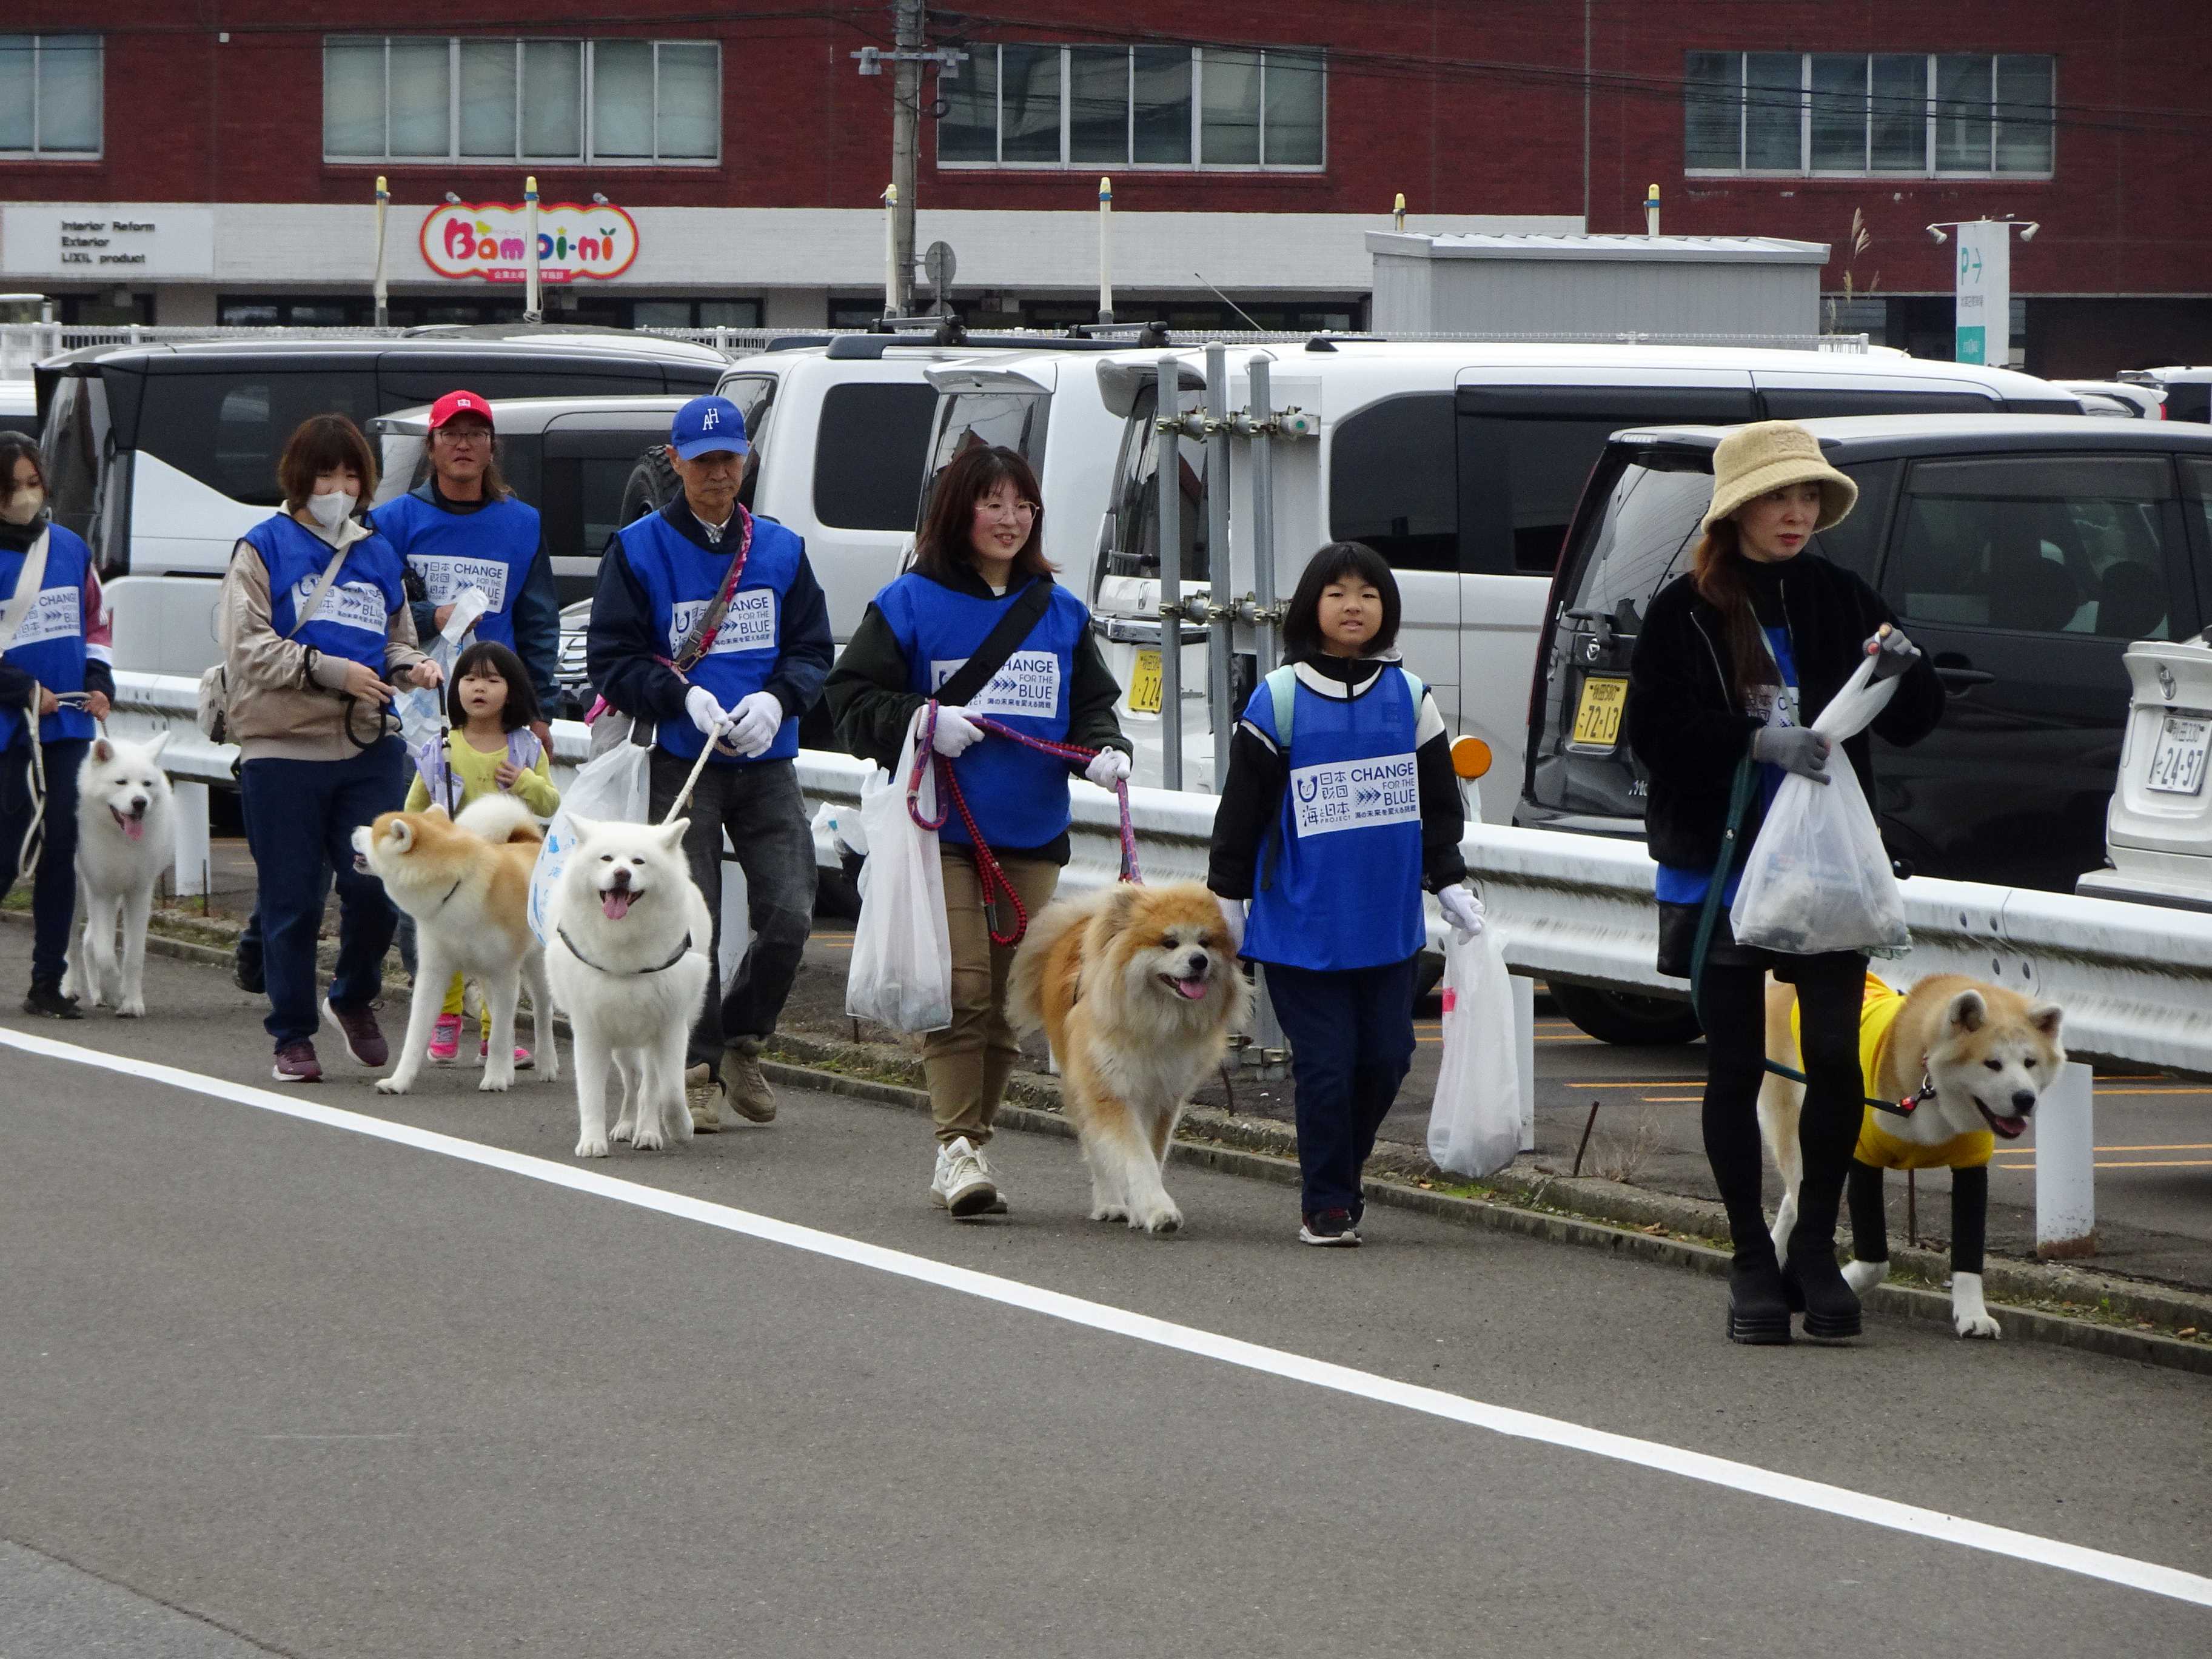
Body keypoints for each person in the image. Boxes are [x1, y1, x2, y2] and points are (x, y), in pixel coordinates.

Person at [1624, 420, 1943, 1344]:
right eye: (1778, 497)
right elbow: (1655, 734)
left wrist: (1907, 668)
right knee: (1734, 1066)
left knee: (1837, 1062)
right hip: (1722, 863)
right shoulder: (1684, 609)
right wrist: (1752, 741)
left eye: (1808, 497)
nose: (1797, 513)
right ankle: (1749, 1262)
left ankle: (1811, 1244)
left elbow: (1915, 719)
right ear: (1736, 512)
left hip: (1822, 868)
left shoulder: (1839, 596)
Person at [826, 444, 1132, 1219]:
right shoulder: (907, 603)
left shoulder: (1058, 609)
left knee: (1003, 1004)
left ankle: (975, 1141)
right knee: (964, 989)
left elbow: (1094, 703)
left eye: (1021, 504)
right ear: (957, 511)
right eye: (991, 502)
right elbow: (849, 701)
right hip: (945, 832)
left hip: (1031, 834)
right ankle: (955, 1146)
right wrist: (922, 719)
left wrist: (1106, 749)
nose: (1008, 518)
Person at [1207, 541, 1481, 1247]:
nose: (1353, 605)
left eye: (1367, 592)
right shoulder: (1282, 697)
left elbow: (1437, 801)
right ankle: (1327, 1201)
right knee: (1326, 1066)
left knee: (1387, 1057)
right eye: (1336, 593)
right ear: (1311, 607)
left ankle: (1340, 1169)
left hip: (1387, 924)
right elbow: (1242, 808)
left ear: (1386, 607)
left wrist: (1447, 879)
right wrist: (1227, 900)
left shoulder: (1411, 698)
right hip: (1300, 923)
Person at [586, 394, 834, 1130]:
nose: (717, 474)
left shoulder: (782, 550)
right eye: (702, 462)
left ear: (746, 460)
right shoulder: (637, 549)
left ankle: (743, 1038)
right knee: (694, 923)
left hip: (766, 757)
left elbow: (812, 648)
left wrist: (779, 702)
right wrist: (679, 697)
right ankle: (695, 1063)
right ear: (675, 463)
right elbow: (612, 661)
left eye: (729, 459)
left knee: (791, 910)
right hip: (679, 760)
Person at [218, 414, 439, 1083]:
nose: (338, 486)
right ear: (298, 477)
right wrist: (328, 671)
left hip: (369, 745)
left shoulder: (376, 553)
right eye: (326, 473)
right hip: (281, 748)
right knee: (292, 900)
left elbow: (396, 636)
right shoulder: (262, 548)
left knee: (377, 886)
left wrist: (410, 667)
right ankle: (291, 1033)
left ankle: (353, 997)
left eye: (350, 474)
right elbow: (247, 646)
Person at [374, 389, 561, 749]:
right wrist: (433, 617)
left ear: (492, 447)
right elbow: (372, 611)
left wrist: (540, 714)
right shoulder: (391, 521)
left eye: (476, 434)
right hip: (411, 707)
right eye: (451, 434)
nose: (464, 445)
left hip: (497, 714)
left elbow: (539, 626)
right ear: (431, 446)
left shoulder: (523, 524)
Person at [403, 638, 559, 1068]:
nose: (479, 688)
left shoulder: (526, 747)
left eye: (492, 680)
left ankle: (497, 1037)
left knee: (501, 957)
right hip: (451, 873)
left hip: (506, 877)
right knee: (444, 949)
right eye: (469, 678)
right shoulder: (441, 747)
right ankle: (446, 1022)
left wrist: (526, 782)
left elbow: (550, 805)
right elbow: (416, 808)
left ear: (514, 690)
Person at [0, 434, 113, 1017]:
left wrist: (99, 682)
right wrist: (23, 690)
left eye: (32, 483)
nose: (24, 497)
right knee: (5, 850)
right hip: (7, 730)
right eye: (11, 486)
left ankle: (48, 980)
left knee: (60, 847)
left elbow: (94, 624)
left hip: (66, 728)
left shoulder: (69, 548)